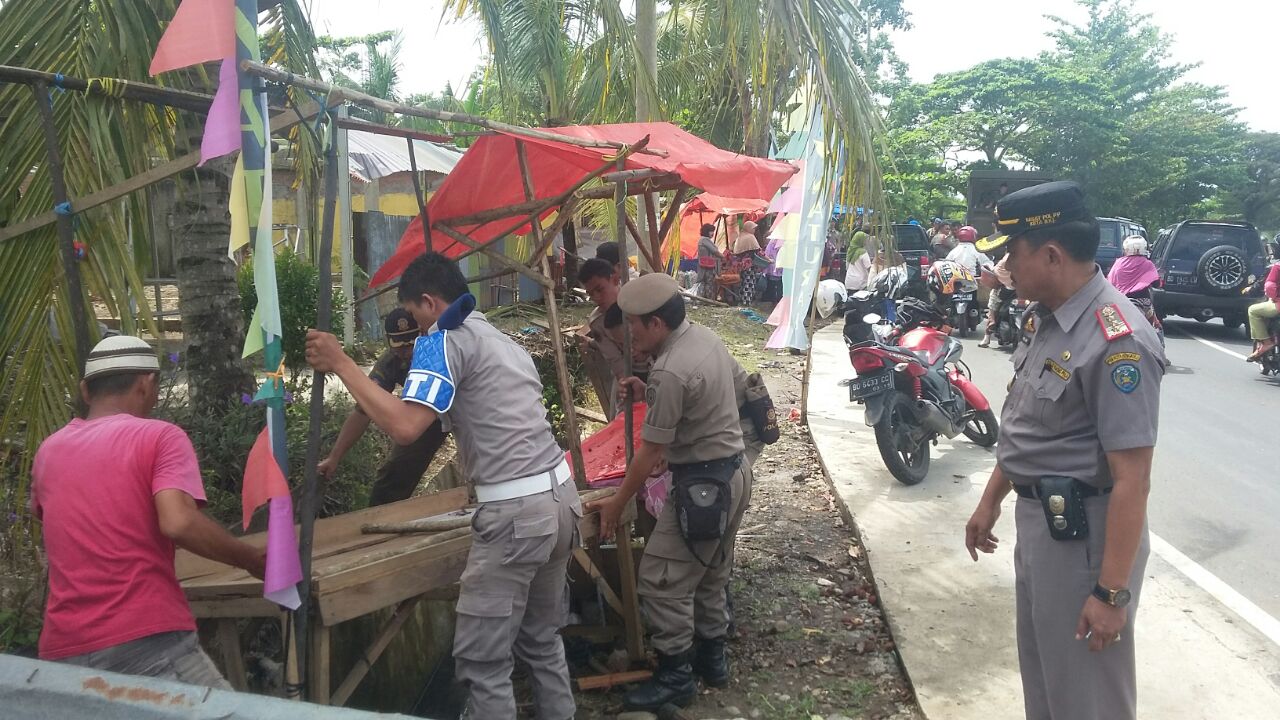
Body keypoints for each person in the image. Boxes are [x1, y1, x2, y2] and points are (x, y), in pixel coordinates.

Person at [304, 253, 579, 720]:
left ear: (428, 303)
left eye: (412, 315)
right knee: (541, 638)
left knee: (483, 663)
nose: (411, 329)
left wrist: (342, 363)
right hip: (561, 501)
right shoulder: (498, 338)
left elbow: (407, 427)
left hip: (516, 515)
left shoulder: (441, 341)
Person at [964, 181, 1165, 720]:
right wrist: (991, 501)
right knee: (1048, 684)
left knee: (1087, 698)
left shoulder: (1116, 339)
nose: (1005, 266)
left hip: (1085, 543)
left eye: (1011, 253)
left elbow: (1132, 480)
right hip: (1042, 526)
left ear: (1051, 255)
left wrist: (1111, 593)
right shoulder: (1046, 318)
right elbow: (1030, 427)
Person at [31, 336, 265, 687]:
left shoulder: (48, 451)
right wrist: (252, 560)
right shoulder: (160, 437)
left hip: (63, 650)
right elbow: (178, 521)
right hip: (145, 639)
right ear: (147, 384)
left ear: (85, 390)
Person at [588, 274, 753, 712]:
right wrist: (650, 393)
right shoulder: (705, 339)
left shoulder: (669, 369)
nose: (632, 338)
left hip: (703, 487)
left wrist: (617, 501)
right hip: (734, 473)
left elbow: (649, 453)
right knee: (712, 570)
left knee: (660, 581)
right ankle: (712, 661)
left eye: (636, 328)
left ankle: (677, 675)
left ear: (657, 324)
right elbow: (722, 395)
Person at [317, 308, 448, 506]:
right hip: (427, 416)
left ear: (421, 334)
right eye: (399, 347)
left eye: (410, 345)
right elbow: (363, 411)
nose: (406, 352)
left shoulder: (440, 350)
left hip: (462, 408)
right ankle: (384, 518)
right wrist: (334, 457)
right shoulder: (390, 362)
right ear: (389, 343)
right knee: (393, 475)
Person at [578, 258, 652, 416]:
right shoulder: (598, 323)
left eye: (600, 290)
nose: (597, 298)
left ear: (615, 279)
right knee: (622, 418)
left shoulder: (643, 303)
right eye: (591, 294)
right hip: (631, 373)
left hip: (659, 369)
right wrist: (627, 385)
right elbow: (615, 361)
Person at [1107, 236, 1164, 341]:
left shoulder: (1118, 263)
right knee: (1156, 328)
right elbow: (1156, 284)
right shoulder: (1147, 264)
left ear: (1126, 249)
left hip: (1119, 302)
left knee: (1109, 329)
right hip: (1143, 303)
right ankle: (1159, 351)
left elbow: (1109, 283)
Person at [1246, 244, 1280, 361]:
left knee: (1252, 310)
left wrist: (1274, 297)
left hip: (1277, 305)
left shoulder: (1276, 266)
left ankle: (1266, 342)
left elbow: (1269, 286)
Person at [976, 246, 1015, 348]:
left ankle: (987, 334)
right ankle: (989, 330)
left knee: (992, 304)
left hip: (1011, 289)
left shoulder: (1008, 258)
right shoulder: (1024, 257)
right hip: (1017, 288)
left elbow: (996, 272)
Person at [696, 223, 724, 298]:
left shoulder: (701, 240)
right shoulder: (705, 240)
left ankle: (706, 298)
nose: (713, 233)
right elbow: (715, 252)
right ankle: (710, 299)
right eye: (711, 231)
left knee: (706, 282)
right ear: (706, 231)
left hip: (703, 265)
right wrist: (723, 257)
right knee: (710, 283)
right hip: (708, 266)